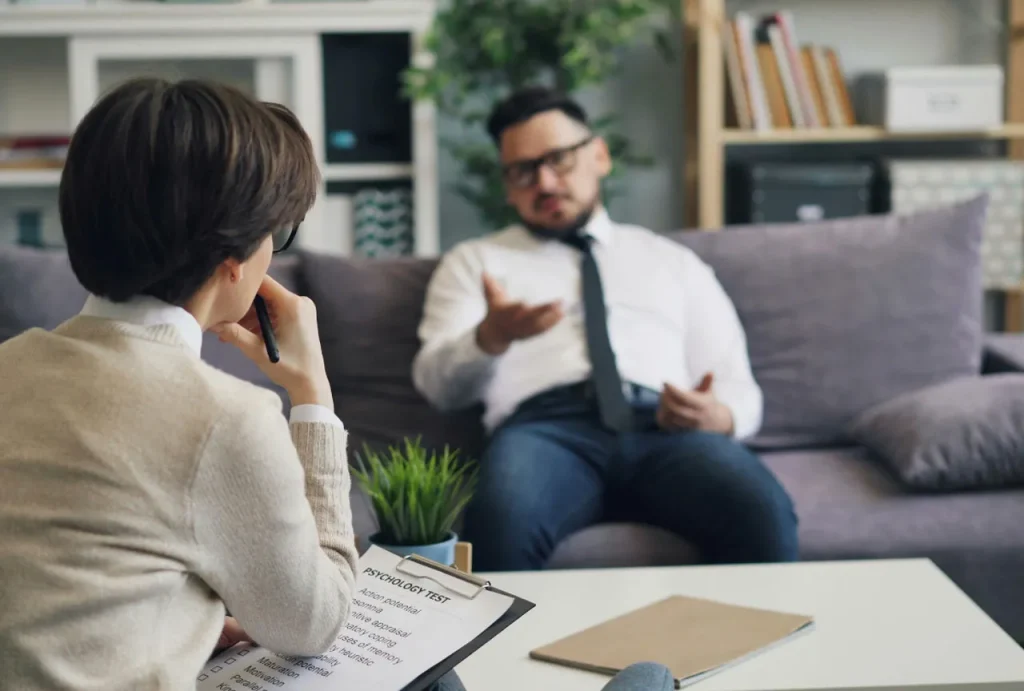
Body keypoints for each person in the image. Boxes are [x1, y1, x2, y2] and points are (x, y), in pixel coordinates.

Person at [0, 77, 457, 691]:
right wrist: (314, 397)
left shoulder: (11, 366)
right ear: (234, 258)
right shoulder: (224, 418)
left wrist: (171, 615)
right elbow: (315, 622)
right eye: (276, 231)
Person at [413, 87, 799, 572]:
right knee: (500, 518)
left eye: (558, 159)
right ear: (507, 186)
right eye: (523, 171)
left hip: (667, 429)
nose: (546, 182)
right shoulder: (476, 262)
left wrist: (718, 416)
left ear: (598, 155)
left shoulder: (673, 262)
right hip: (545, 432)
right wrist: (490, 337)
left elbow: (738, 385)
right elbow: (437, 386)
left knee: (763, 513)